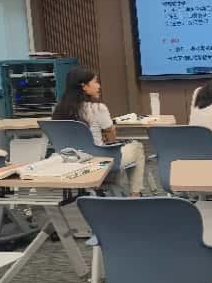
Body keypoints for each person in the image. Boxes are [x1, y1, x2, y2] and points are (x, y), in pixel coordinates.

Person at [52, 66, 146, 196]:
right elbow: (111, 136)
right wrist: (109, 139)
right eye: (95, 82)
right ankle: (135, 195)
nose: (99, 86)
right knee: (137, 146)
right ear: (84, 86)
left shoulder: (58, 110)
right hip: (99, 161)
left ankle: (105, 186)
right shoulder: (97, 108)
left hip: (71, 161)